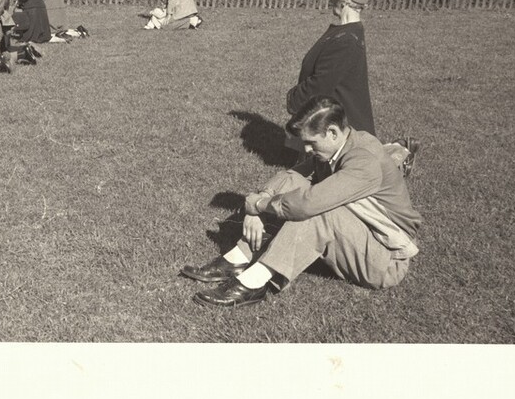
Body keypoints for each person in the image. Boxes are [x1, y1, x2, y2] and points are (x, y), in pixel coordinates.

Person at [181, 96, 422, 307]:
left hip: (386, 259)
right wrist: (261, 199)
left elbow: (308, 205)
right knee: (292, 182)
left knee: (319, 212)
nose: (306, 149)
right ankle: (239, 258)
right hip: (362, 233)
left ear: (332, 132)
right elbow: (294, 175)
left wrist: (257, 206)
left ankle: (256, 281)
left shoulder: (363, 160)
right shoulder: (339, 145)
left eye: (311, 143)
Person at [286, 0, 376, 135]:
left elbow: (321, 84)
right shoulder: (348, 32)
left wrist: (294, 99)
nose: (330, 0)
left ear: (343, 2)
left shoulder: (346, 40)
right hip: (335, 122)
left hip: (343, 133)